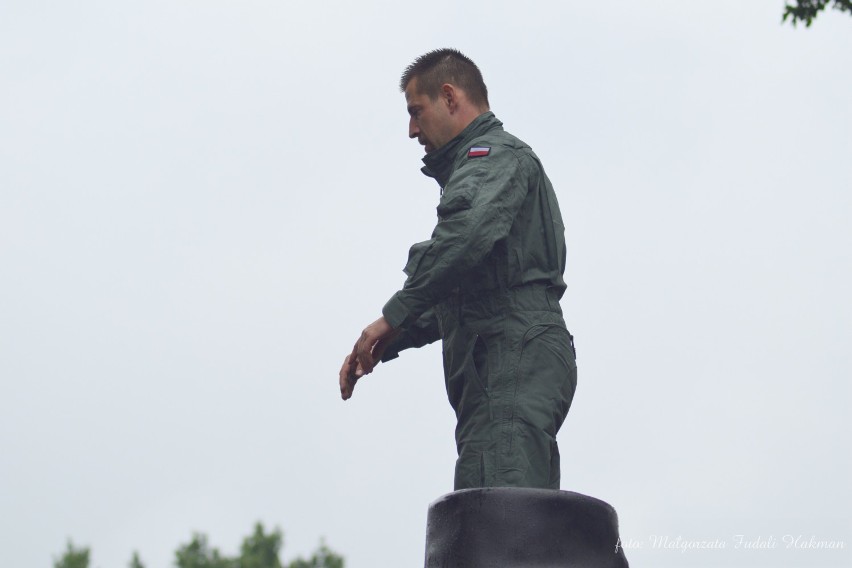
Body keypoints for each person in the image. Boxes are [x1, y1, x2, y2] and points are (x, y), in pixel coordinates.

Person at [339, 48, 577, 491]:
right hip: (503, 359)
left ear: (449, 97)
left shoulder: (493, 158)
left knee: (502, 512)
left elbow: (463, 239)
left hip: (510, 355)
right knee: (508, 504)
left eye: (416, 111)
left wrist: (391, 315)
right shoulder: (487, 165)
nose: (411, 130)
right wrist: (395, 335)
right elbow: (465, 287)